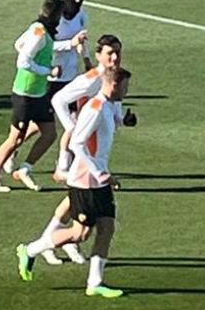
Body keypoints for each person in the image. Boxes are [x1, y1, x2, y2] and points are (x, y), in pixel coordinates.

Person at [16, 68, 133, 299]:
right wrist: (100, 173)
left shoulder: (109, 106)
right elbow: (78, 143)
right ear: (114, 85)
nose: (128, 91)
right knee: (80, 234)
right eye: (126, 87)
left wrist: (126, 120)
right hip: (84, 181)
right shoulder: (95, 108)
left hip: (98, 181)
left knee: (107, 228)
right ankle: (29, 250)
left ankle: (95, 283)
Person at [35, 34, 133, 265]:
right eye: (110, 53)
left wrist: (123, 119)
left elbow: (114, 109)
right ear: (99, 55)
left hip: (96, 149)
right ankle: (48, 244)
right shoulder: (92, 78)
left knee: (73, 201)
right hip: (84, 151)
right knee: (77, 199)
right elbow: (59, 99)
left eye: (118, 51)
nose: (115, 57)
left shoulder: (116, 79)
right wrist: (72, 127)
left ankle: (59, 242)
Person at [0, 0, 67, 193]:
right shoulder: (39, 32)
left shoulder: (39, 29)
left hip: (39, 92)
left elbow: (18, 44)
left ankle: (25, 168)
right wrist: (48, 71)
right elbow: (23, 61)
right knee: (16, 138)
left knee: (49, 134)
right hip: (25, 92)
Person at [47, 0, 93, 181]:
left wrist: (87, 60)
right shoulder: (55, 18)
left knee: (74, 122)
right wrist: (68, 44)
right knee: (38, 125)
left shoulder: (82, 16)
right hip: (51, 74)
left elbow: (81, 41)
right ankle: (11, 154)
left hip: (71, 76)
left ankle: (64, 164)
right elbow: (45, 45)